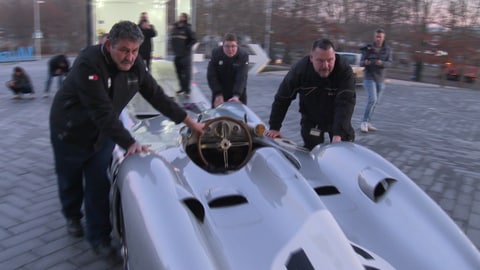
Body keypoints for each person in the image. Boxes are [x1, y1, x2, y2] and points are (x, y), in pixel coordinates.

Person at [49, 21, 204, 256]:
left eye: (134, 51)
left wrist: (191, 123)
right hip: (70, 131)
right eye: (124, 50)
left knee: (98, 185)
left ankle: (98, 237)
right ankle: (72, 215)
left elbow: (157, 96)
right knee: (69, 180)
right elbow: (102, 113)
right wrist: (131, 143)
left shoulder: (136, 65)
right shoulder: (88, 64)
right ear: (109, 44)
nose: (130, 57)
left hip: (103, 134)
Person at [266, 39, 356, 150]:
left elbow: (346, 102)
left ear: (335, 57)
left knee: (343, 149)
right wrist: (274, 127)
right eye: (320, 61)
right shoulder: (300, 71)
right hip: (312, 120)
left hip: (338, 117)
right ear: (311, 58)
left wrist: (338, 134)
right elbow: (282, 98)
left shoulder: (344, 71)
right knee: (311, 151)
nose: (326, 66)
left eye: (330, 60)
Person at [359, 28, 393, 133]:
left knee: (376, 102)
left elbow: (390, 63)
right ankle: (364, 122)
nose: (378, 39)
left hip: (380, 78)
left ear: (383, 38)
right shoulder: (368, 48)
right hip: (369, 77)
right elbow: (361, 62)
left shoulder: (387, 49)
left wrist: (382, 63)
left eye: (380, 37)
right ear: (375, 37)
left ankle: (368, 122)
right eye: (377, 36)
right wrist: (366, 62)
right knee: (372, 99)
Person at [207, 33, 249, 108]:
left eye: (233, 46)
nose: (230, 49)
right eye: (227, 46)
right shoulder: (216, 53)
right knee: (217, 117)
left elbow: (241, 77)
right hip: (220, 90)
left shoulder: (243, 55)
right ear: (222, 46)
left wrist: (236, 95)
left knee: (237, 118)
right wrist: (218, 94)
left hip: (238, 92)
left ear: (237, 45)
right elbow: (211, 75)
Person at [170, 12, 197, 96]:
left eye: (182, 16)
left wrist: (187, 47)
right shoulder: (175, 27)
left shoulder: (187, 28)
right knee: (178, 73)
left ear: (185, 18)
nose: (180, 17)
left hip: (185, 55)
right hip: (177, 54)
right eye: (180, 16)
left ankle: (187, 90)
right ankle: (182, 88)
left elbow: (194, 39)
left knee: (186, 74)